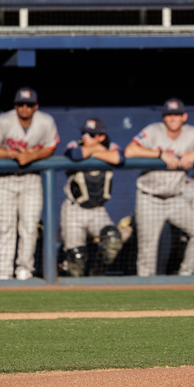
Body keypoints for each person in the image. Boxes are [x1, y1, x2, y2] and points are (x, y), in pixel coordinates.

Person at [124, 98, 194, 276]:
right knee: (147, 253)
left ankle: (185, 275)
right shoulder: (154, 131)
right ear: (164, 117)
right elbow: (130, 151)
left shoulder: (192, 134)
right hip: (150, 198)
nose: (173, 118)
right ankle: (144, 296)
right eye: (170, 115)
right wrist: (160, 154)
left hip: (175, 199)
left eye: (177, 115)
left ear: (184, 117)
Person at [0, 87, 60, 280]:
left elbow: (50, 147)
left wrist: (33, 154)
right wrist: (13, 154)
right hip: (5, 177)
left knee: (30, 226)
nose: (24, 108)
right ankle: (3, 272)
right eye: (20, 104)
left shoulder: (46, 121)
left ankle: (24, 269)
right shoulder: (2, 121)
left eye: (29, 104)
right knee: (5, 227)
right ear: (15, 105)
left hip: (31, 178)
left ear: (36, 106)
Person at [61, 118, 124, 277]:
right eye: (85, 133)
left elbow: (120, 158)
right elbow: (75, 154)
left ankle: (97, 275)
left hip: (97, 211)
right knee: (76, 257)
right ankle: (73, 291)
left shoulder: (112, 146)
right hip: (74, 210)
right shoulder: (74, 144)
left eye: (91, 134)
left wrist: (94, 151)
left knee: (112, 239)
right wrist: (98, 150)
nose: (86, 137)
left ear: (101, 137)